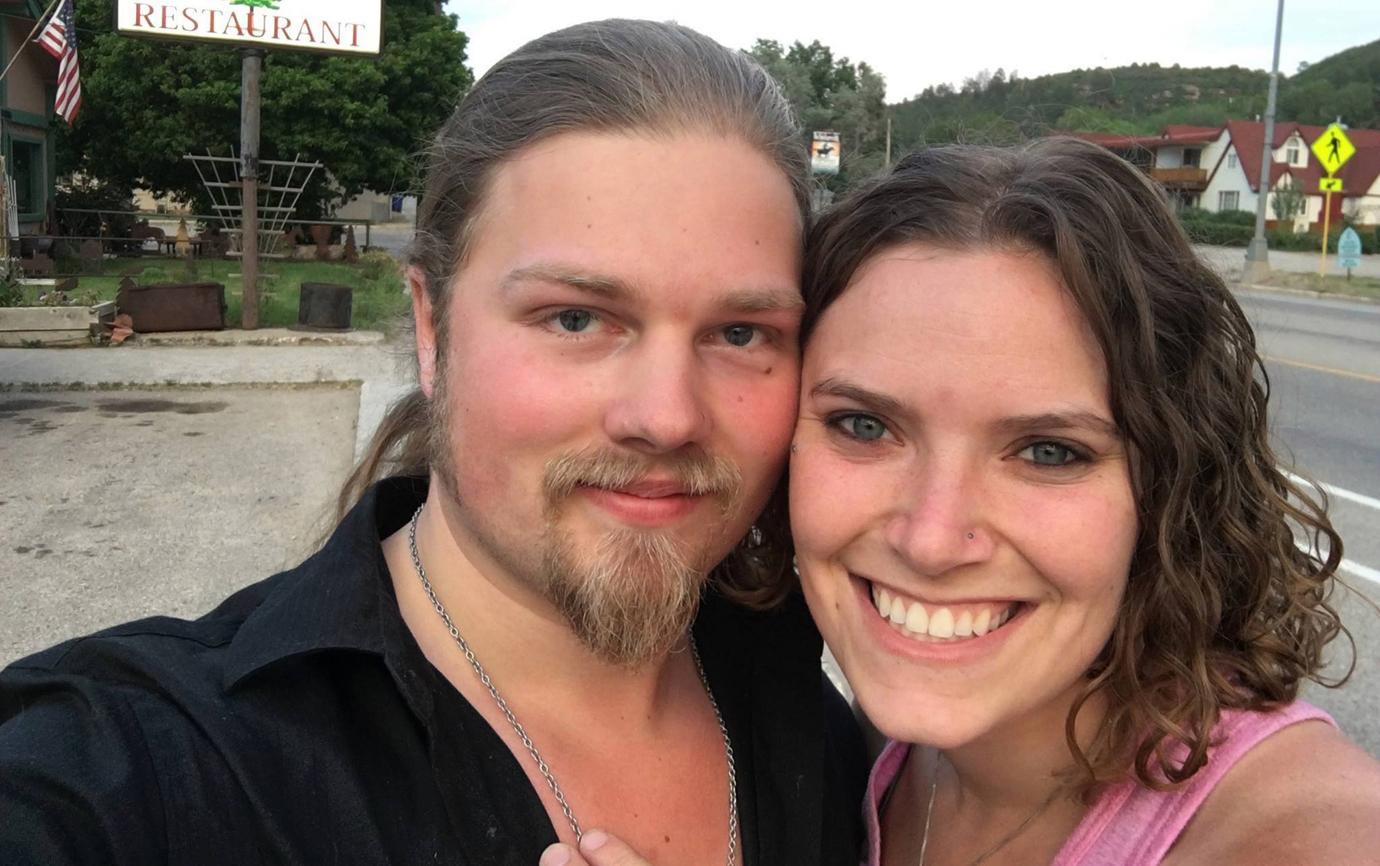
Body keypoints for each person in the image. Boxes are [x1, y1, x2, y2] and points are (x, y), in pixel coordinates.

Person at [0, 20, 866, 866]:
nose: (667, 417)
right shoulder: (152, 766)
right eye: (577, 318)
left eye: (742, 333)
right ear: (430, 326)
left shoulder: (832, 716)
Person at [545, 139, 1380, 866]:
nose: (933, 540)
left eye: (1049, 452)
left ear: (1169, 487)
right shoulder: (869, 758)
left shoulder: (1299, 832)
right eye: (864, 425)